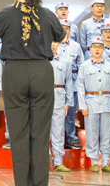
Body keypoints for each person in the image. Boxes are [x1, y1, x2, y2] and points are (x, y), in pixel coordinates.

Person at [0, 0, 65, 186]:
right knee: (41, 132)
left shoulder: (5, 14)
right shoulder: (47, 14)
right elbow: (61, 35)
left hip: (15, 72)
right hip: (42, 71)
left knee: (19, 134)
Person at [77, 39, 110, 173]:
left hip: (107, 102)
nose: (97, 49)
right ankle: (94, 162)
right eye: (94, 47)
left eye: (99, 47)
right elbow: (80, 86)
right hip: (91, 102)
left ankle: (106, 161)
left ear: (103, 49)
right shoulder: (84, 66)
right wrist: (82, 105)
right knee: (92, 132)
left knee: (107, 133)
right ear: (90, 49)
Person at [55, 19, 84, 150]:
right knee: (57, 114)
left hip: (73, 82)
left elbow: (81, 66)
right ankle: (57, 140)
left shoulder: (75, 46)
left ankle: (71, 139)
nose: (64, 30)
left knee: (71, 114)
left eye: (67, 28)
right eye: (62, 27)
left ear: (70, 30)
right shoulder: (52, 44)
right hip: (57, 83)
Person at [49, 41, 73, 173]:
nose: (52, 45)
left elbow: (69, 82)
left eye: (54, 42)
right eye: (49, 42)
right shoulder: (40, 60)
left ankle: (58, 161)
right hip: (42, 99)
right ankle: (44, 160)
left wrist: (68, 102)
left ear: (58, 44)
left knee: (58, 131)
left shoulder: (65, 62)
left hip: (59, 99)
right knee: (42, 132)